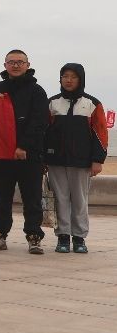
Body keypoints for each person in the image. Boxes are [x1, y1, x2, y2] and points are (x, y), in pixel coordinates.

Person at [0, 50, 48, 253]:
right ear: (5, 65)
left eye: (20, 62)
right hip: (1, 154)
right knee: (1, 199)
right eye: (11, 62)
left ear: (28, 65)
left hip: (30, 155)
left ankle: (34, 237)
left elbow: (39, 122)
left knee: (32, 199)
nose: (16, 65)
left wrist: (23, 146)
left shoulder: (37, 91)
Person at [44, 64, 107, 254]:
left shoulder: (92, 104)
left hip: (82, 161)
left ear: (81, 79)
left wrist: (98, 160)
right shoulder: (52, 103)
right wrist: (42, 159)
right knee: (60, 199)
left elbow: (101, 134)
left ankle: (79, 237)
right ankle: (63, 236)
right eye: (65, 76)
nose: (69, 80)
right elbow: (43, 132)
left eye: (73, 76)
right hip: (55, 160)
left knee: (80, 200)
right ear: (60, 79)